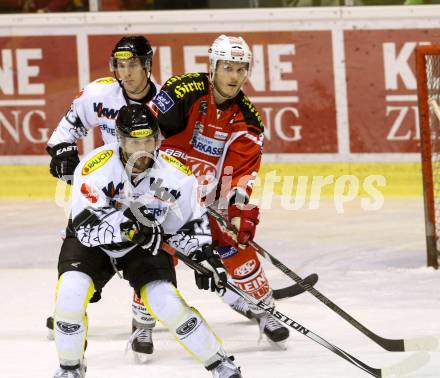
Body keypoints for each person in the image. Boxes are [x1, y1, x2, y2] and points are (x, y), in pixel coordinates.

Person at [52, 103, 242, 378]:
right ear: (120, 140)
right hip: (93, 244)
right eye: (133, 142)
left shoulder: (177, 175)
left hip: (142, 245)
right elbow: (86, 227)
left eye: (148, 141)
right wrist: (131, 228)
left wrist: (204, 256)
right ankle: (70, 368)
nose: (141, 150)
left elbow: (189, 225)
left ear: (157, 140)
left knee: (166, 301)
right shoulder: (95, 167)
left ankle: (220, 363)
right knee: (70, 294)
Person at [148, 34, 290, 343]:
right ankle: (142, 321)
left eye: (241, 70)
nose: (234, 76)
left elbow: (241, 173)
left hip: (211, 193)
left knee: (233, 240)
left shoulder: (249, 120)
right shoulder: (183, 91)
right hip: (164, 189)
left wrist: (238, 209)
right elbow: (145, 134)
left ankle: (263, 309)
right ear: (212, 68)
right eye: (227, 68)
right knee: (159, 246)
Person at [46, 35, 160, 358]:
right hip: (105, 186)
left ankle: (143, 318)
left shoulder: (165, 104)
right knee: (82, 248)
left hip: (147, 189)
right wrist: (64, 154)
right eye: (120, 66)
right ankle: (71, 310)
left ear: (148, 65)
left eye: (133, 65)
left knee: (148, 250)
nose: (126, 73)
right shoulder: (100, 94)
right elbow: (64, 132)